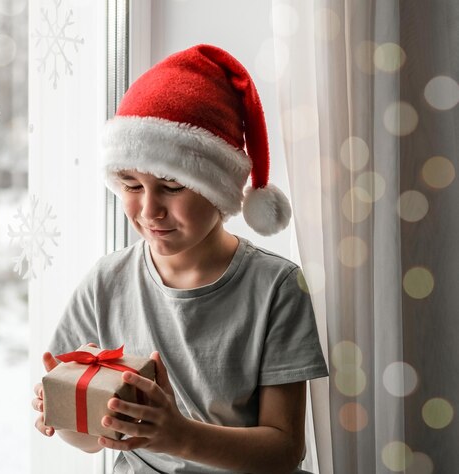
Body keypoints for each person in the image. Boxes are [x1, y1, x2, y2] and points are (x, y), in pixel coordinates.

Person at [32, 44, 328, 474]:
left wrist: (179, 436)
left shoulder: (276, 287)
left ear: (219, 187)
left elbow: (284, 452)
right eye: (131, 186)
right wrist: (65, 411)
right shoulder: (106, 282)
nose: (149, 210)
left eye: (171, 186)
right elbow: (92, 440)